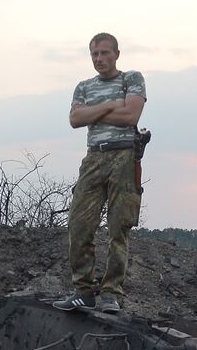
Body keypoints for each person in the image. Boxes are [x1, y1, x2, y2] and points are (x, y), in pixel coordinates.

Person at [55, 33, 146, 314]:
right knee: (79, 224)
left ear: (117, 54)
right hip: (94, 157)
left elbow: (131, 117)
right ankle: (83, 290)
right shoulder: (83, 86)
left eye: (105, 53)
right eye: (94, 54)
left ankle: (111, 293)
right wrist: (110, 106)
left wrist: (91, 113)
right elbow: (74, 119)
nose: (99, 59)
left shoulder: (131, 79)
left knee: (119, 227)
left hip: (124, 156)